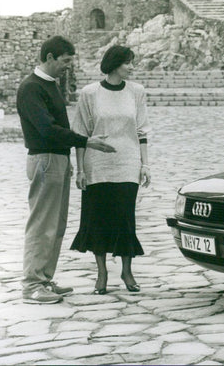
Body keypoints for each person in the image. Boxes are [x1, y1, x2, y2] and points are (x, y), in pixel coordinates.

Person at [17, 36, 116, 304]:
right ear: (50, 57)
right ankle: (32, 285)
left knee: (56, 225)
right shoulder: (31, 87)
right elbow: (47, 129)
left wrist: (68, 158)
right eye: (65, 60)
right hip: (45, 159)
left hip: (58, 159)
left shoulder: (50, 85)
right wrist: (86, 141)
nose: (68, 66)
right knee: (42, 224)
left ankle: (44, 280)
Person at [70, 45, 151, 295]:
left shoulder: (137, 91)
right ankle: (102, 273)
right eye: (127, 62)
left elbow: (142, 130)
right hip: (97, 164)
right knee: (97, 218)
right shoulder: (89, 93)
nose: (132, 67)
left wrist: (145, 164)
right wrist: (81, 170)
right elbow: (81, 133)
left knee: (125, 218)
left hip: (127, 163)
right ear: (114, 64)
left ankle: (127, 271)